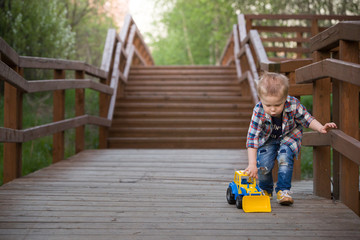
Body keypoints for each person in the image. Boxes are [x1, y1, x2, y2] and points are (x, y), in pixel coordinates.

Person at [245, 72, 337, 205]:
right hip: (267, 139)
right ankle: (266, 189)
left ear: (284, 98)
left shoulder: (293, 104)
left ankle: (283, 191)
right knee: (263, 165)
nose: (272, 110)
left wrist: (320, 127)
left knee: (284, 158)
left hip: (289, 136)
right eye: (268, 105)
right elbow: (252, 137)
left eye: (277, 105)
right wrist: (252, 164)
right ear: (261, 99)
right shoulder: (258, 110)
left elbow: (307, 119)